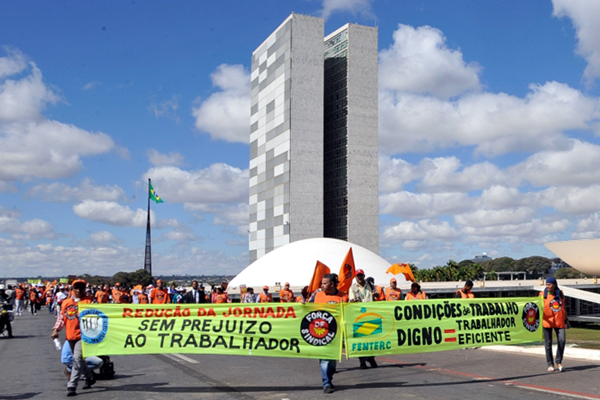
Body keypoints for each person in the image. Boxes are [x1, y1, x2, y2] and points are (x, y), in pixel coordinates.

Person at [51, 279, 96, 396]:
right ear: (72, 289)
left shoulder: (90, 301)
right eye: (76, 287)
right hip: (70, 335)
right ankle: (89, 377)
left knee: (77, 359)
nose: (79, 290)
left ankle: (72, 385)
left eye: (81, 288)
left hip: (84, 336)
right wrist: (56, 330)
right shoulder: (66, 302)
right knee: (79, 360)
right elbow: (61, 318)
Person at [310, 273, 347, 394]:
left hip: (336, 333)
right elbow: (309, 309)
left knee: (332, 359)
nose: (322, 285)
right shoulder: (317, 295)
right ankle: (326, 383)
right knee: (324, 358)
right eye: (322, 283)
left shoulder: (344, 296)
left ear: (332, 284)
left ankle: (329, 375)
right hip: (321, 332)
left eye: (324, 283)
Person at [349, 270, 377, 369]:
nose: (360, 277)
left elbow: (377, 296)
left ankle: (371, 357)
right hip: (359, 316)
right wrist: (354, 301)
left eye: (361, 275)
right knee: (362, 340)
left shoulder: (370, 285)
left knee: (373, 339)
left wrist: (375, 295)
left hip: (371, 315)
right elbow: (351, 301)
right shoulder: (353, 288)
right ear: (355, 277)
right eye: (358, 275)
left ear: (364, 276)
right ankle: (363, 361)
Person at [540, 277, 567, 372]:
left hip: (559, 321)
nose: (547, 286)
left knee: (562, 340)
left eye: (549, 284)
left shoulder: (560, 294)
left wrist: (566, 320)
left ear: (554, 285)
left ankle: (558, 362)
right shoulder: (542, 295)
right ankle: (550, 364)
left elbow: (563, 307)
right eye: (546, 284)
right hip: (547, 322)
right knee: (548, 343)